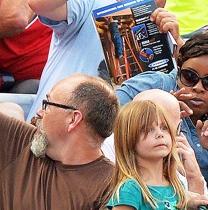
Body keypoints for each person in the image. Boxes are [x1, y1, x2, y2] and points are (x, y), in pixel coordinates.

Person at [26, 0, 177, 118]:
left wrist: (176, 46)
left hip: (111, 139)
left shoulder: (168, 35)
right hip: (52, 126)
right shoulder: (96, 0)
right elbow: (38, 1)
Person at [116, 33, 208, 208]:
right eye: (190, 77)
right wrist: (161, 109)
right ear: (178, 72)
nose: (198, 88)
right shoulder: (153, 85)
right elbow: (105, 123)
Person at [0, 74, 119, 208]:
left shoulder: (112, 190)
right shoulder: (23, 140)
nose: (39, 112)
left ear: (73, 119)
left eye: (47, 104)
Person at [108, 100, 208, 210]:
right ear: (128, 139)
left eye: (164, 128)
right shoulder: (130, 189)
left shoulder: (177, 186)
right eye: (149, 129)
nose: (160, 134)